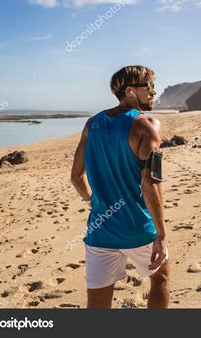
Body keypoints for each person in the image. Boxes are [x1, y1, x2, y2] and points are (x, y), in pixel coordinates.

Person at [70, 65, 169, 308]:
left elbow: (76, 177)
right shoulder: (147, 125)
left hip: (100, 232)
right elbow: (150, 184)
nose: (154, 92)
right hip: (139, 229)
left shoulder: (91, 124)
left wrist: (93, 201)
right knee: (160, 280)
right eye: (148, 86)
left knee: (98, 303)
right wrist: (162, 234)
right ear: (129, 91)